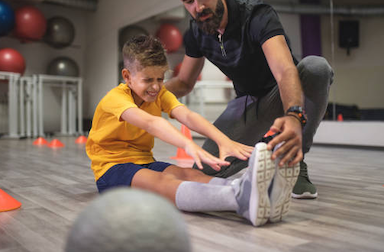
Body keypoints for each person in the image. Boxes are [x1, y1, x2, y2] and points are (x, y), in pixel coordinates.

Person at [86, 35, 300, 227]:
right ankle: (238, 198)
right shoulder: (115, 99)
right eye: (148, 80)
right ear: (127, 76)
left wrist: (224, 140)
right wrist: (188, 144)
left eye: (160, 79)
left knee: (189, 173)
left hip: (144, 161)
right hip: (112, 169)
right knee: (164, 183)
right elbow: (151, 123)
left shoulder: (159, 93)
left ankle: (250, 190)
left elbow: (187, 116)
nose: (155, 86)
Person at [165, 0, 334, 199]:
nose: (198, 7)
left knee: (316, 67)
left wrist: (295, 115)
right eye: (189, 1)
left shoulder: (256, 14)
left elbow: (284, 71)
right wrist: (142, 95)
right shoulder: (196, 32)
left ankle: (295, 162)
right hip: (250, 105)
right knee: (203, 171)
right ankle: (268, 151)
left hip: (284, 92)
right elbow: (183, 83)